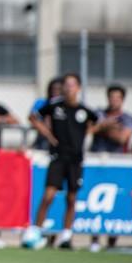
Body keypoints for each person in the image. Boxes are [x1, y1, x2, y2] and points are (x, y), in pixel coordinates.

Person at [27, 73, 99, 251]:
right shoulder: (54, 106)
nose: (69, 88)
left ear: (78, 88)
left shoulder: (85, 111)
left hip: (76, 160)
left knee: (72, 198)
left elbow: (97, 124)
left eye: (72, 85)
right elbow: (33, 117)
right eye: (66, 85)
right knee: (48, 195)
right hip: (58, 158)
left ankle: (66, 235)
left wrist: (86, 134)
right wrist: (49, 136)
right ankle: (36, 231)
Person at [91, 84, 132, 154]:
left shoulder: (127, 118)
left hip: (116, 159)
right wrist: (109, 127)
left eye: (117, 98)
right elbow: (89, 130)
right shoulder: (99, 113)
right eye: (111, 97)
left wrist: (102, 127)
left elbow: (122, 138)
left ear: (122, 99)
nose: (114, 100)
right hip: (96, 157)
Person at [28, 77, 64, 150]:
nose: (55, 92)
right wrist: (49, 135)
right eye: (53, 89)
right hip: (44, 139)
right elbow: (32, 118)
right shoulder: (45, 104)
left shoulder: (65, 107)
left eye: (58, 89)